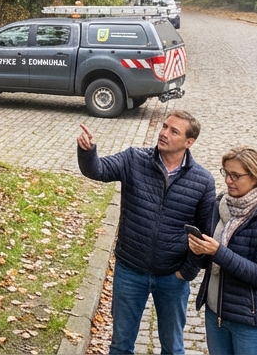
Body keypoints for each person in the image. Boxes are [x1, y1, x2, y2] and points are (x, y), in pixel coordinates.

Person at [77, 111, 216, 355]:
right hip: (130, 271)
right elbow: (98, 170)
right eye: (164, 126)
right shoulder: (134, 159)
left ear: (189, 142)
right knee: (121, 345)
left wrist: (187, 271)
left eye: (174, 131)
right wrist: (88, 152)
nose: (164, 133)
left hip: (172, 277)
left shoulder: (202, 181)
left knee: (173, 348)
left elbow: (205, 234)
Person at [187, 147, 257, 355]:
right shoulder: (221, 205)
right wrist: (199, 251)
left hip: (251, 323)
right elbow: (210, 263)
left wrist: (218, 252)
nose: (228, 180)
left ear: (256, 177)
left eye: (235, 175)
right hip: (217, 313)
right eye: (226, 173)